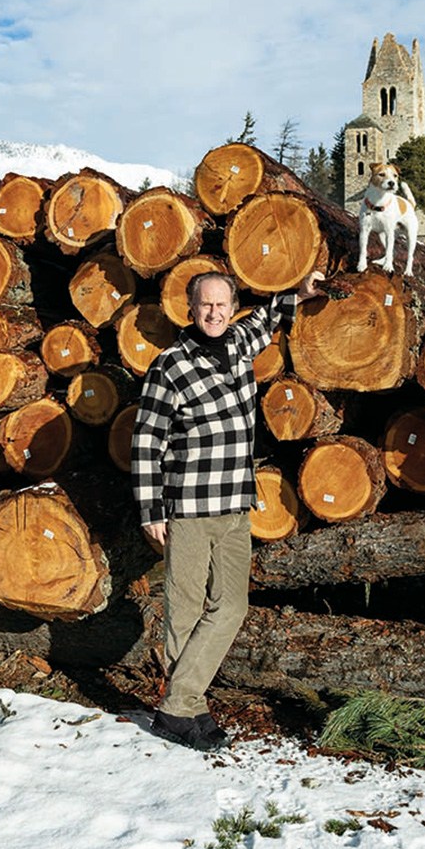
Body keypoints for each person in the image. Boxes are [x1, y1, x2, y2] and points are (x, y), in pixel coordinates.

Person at [131, 267, 324, 751]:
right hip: (189, 505)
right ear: (189, 308)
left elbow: (271, 315)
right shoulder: (170, 364)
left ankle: (177, 704)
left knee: (231, 606)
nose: (214, 313)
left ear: (231, 307)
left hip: (236, 503)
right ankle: (188, 712)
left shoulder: (239, 343)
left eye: (222, 305)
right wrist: (150, 508)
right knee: (185, 609)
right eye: (205, 305)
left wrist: (299, 290)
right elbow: (146, 441)